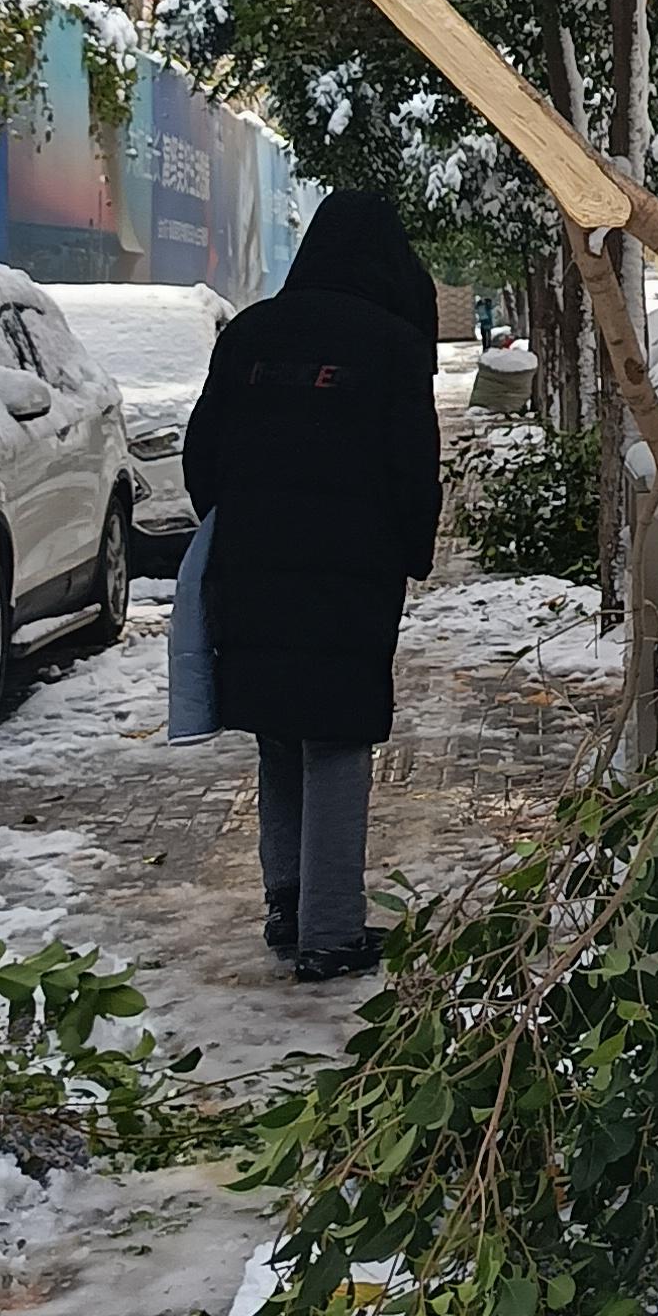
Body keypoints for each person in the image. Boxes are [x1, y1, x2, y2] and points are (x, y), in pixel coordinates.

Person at [179, 190, 441, 981]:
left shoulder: (252, 332)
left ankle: (288, 901)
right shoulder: (394, 345)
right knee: (336, 736)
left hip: (252, 564)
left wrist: (246, 522)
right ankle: (330, 934)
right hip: (350, 571)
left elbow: (202, 454)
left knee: (278, 730)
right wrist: (406, 552)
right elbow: (413, 469)